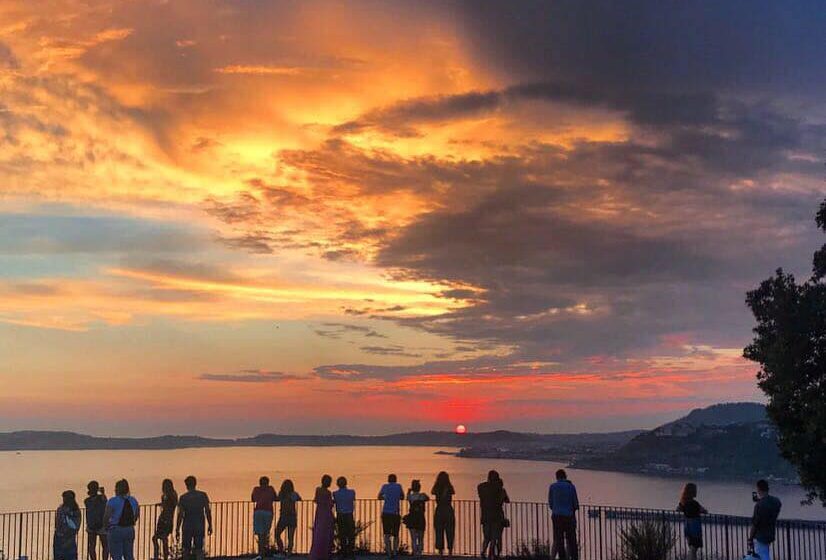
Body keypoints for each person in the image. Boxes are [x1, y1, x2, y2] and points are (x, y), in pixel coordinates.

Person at [176, 475, 213, 560]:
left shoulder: (183, 498)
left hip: (187, 526)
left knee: (186, 550)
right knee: (199, 549)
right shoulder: (203, 495)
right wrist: (210, 525)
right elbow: (207, 511)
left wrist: (177, 529)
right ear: (195, 484)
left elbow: (180, 515)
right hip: (199, 525)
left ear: (186, 485)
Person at [104, 479, 140, 560]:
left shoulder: (113, 501)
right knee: (129, 555)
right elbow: (137, 514)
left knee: (116, 556)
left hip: (116, 529)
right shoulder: (133, 500)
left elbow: (106, 516)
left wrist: (107, 528)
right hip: (129, 529)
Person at [548, 469, 579, 560]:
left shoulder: (552, 487)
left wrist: (556, 509)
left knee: (559, 539)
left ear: (556, 477)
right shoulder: (571, 487)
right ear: (565, 476)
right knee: (571, 540)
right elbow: (576, 504)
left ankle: (562, 557)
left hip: (556, 516)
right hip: (569, 516)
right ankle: (574, 557)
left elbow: (550, 503)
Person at [478, 470, 509, 560]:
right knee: (494, 537)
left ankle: (483, 552)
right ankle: (492, 555)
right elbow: (507, 500)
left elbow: (480, 493)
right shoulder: (499, 489)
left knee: (487, 537)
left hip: (485, 515)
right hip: (496, 516)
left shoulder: (482, 488)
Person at [749, 479, 782, 560]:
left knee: (762, 555)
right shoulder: (776, 501)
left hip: (760, 535)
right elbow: (773, 504)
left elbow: (755, 524)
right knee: (764, 553)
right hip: (770, 532)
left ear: (759, 489)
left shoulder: (759, 505)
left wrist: (750, 538)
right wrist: (761, 500)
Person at [676, 482, 707, 560]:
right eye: (695, 490)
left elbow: (678, 509)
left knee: (692, 547)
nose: (696, 492)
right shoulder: (694, 503)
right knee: (694, 548)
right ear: (692, 491)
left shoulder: (683, 502)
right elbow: (704, 510)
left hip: (687, 525)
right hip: (695, 526)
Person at [378, 474, 404, 558]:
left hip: (386, 512)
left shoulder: (385, 486)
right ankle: (395, 552)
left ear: (388, 480)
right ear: (396, 480)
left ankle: (389, 553)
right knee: (396, 534)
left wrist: (385, 498)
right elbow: (402, 497)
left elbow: (379, 497)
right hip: (395, 513)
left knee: (387, 534)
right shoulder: (399, 486)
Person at [309, 475, 335, 560]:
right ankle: (325, 552)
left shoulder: (318, 490)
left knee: (318, 532)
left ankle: (317, 552)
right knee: (326, 533)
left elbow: (316, 500)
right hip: (326, 514)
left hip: (320, 513)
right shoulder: (328, 492)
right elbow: (330, 504)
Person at [251, 476, 278, 560]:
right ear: (268, 482)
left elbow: (253, 499)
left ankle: (261, 553)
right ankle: (262, 553)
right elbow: (275, 498)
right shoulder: (271, 489)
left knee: (260, 533)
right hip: (268, 512)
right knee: (265, 533)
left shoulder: (256, 489)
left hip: (258, 512)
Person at [152, 479, 178, 560]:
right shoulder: (165, 495)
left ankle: (164, 556)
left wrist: (163, 504)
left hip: (167, 519)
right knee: (156, 538)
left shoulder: (172, 495)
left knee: (163, 538)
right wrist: (161, 504)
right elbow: (166, 505)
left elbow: (172, 505)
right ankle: (157, 555)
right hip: (163, 518)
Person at [431, 472, 455, 557]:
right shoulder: (449, 487)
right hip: (448, 510)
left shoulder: (437, 487)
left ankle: (440, 551)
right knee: (450, 531)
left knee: (439, 531)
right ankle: (450, 551)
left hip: (439, 510)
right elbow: (453, 492)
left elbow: (432, 492)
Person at [275, 479, 302, 556]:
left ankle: (281, 550)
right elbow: (299, 499)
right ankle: (288, 553)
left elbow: (276, 499)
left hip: (284, 516)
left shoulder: (282, 494)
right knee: (290, 536)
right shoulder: (293, 494)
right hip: (292, 516)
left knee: (277, 533)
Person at [333, 476, 356, 559]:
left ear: (337, 484)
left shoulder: (335, 493)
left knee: (342, 534)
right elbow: (353, 499)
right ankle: (350, 551)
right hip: (349, 514)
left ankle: (344, 551)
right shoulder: (352, 492)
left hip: (340, 515)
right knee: (350, 534)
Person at [54, 490, 81, 560]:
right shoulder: (60, 509)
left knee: (69, 555)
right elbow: (57, 523)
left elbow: (76, 526)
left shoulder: (75, 511)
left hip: (69, 537)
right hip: (59, 537)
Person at [84, 481, 108, 560]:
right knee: (105, 545)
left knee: (92, 546)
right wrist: (102, 493)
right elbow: (105, 502)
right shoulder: (101, 498)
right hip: (101, 525)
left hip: (91, 525)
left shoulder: (87, 501)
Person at [405, 480, 429, 557]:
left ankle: (414, 552)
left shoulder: (410, 496)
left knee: (413, 537)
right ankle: (420, 552)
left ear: (412, 487)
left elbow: (407, 498)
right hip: (421, 518)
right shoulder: (422, 495)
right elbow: (427, 498)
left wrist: (409, 491)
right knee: (421, 537)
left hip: (412, 518)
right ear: (419, 487)